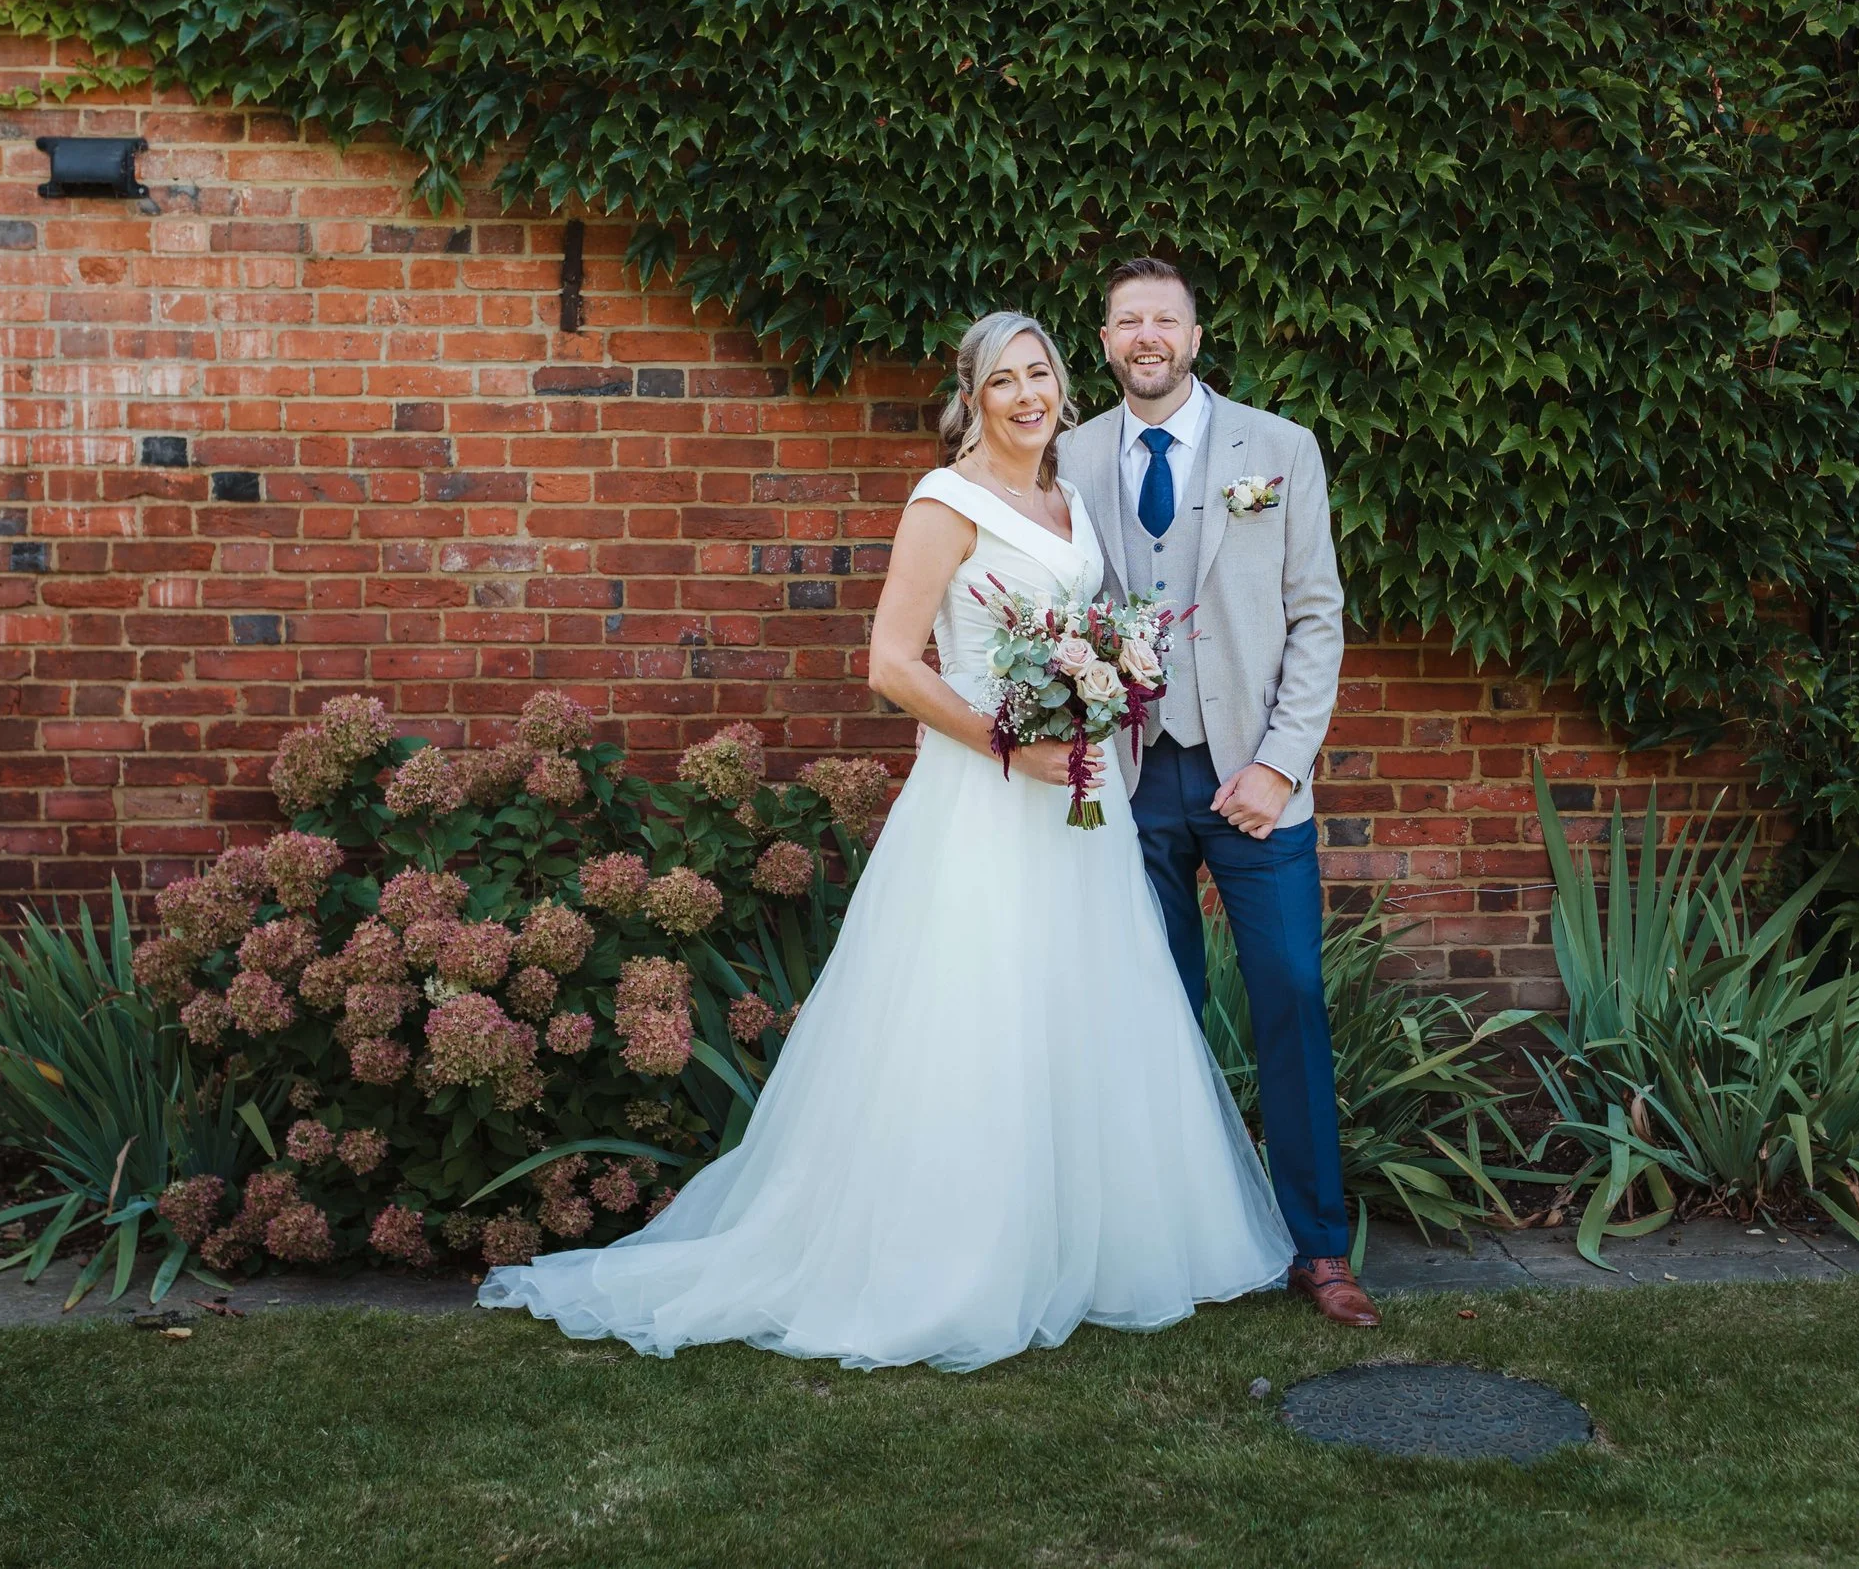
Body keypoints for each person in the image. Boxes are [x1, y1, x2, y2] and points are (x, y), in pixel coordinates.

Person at [478, 311, 1296, 1370]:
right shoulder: (943, 501)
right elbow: (890, 661)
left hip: (1072, 806)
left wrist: (1101, 690)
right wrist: (1010, 742)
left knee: (1073, 1015)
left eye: (1039, 373)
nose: (1026, 395)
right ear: (971, 395)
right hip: (984, 802)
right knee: (972, 1020)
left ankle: (1077, 1248)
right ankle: (952, 1258)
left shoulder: (1066, 496)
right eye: (1002, 381)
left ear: (1063, 384)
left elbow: (1085, 633)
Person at [1054, 257, 1374, 1328]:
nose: (1146, 335)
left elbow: (1317, 616)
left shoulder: (1278, 450)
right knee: (1148, 1012)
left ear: (1195, 335)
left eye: (1165, 318)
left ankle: (1319, 1248)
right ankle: (1152, 1243)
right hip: (1127, 777)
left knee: (1288, 995)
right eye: (1126, 320)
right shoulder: (1068, 455)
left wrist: (1280, 763)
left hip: (1253, 779)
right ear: (1103, 341)